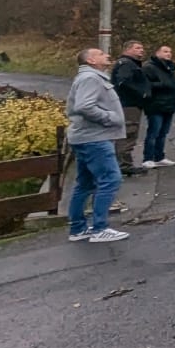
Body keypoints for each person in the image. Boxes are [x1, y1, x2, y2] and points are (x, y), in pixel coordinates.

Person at [66, 46, 129, 244]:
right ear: (91, 61)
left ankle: (78, 229)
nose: (107, 55)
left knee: (85, 184)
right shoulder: (91, 78)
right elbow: (84, 106)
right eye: (101, 54)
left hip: (85, 137)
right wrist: (110, 118)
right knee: (110, 179)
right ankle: (100, 228)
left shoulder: (90, 77)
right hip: (94, 138)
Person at [111, 40, 151, 176]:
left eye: (142, 48)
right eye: (137, 48)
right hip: (128, 104)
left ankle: (124, 163)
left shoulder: (131, 64)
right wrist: (141, 93)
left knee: (129, 132)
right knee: (128, 132)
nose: (141, 50)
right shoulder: (126, 64)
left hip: (130, 104)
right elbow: (123, 82)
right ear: (127, 49)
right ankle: (124, 165)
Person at [142, 44, 175, 167]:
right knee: (153, 132)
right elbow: (145, 84)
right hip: (155, 104)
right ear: (157, 53)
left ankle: (159, 156)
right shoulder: (149, 67)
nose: (168, 54)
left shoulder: (169, 68)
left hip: (169, 104)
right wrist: (163, 84)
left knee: (163, 133)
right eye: (165, 51)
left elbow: (174, 84)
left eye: (170, 51)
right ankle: (148, 158)